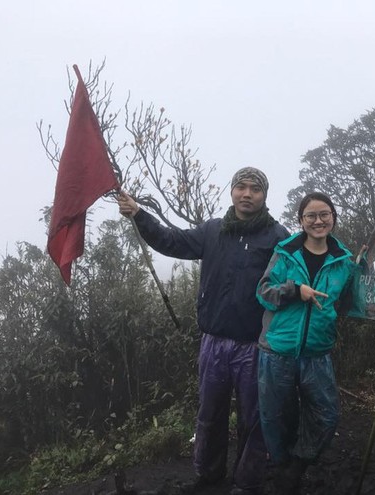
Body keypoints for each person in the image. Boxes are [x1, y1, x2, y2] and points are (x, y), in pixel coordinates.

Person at [117, 167, 289, 495]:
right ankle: (209, 476)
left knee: (253, 420)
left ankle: (247, 482)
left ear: (264, 196)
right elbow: (172, 240)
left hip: (256, 346)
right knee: (210, 413)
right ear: (232, 191)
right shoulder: (213, 231)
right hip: (213, 343)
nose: (247, 194)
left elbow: (293, 278)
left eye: (255, 188)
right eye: (241, 186)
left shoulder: (278, 237)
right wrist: (140, 214)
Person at [255, 192, 354, 493]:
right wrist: (294, 290)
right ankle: (282, 471)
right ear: (301, 221)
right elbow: (263, 292)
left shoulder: (344, 261)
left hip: (317, 352)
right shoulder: (285, 253)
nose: (318, 221)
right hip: (277, 349)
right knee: (275, 416)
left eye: (324, 214)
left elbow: (348, 303)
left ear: (333, 218)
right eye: (310, 215)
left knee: (327, 414)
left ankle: (297, 463)